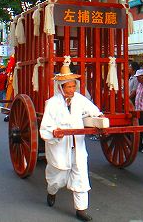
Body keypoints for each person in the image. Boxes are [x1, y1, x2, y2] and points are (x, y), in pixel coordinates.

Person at [39, 61, 103, 222]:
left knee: (81, 175)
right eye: (68, 87)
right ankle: (51, 191)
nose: (71, 90)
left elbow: (93, 109)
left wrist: (99, 117)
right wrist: (55, 133)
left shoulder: (80, 99)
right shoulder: (52, 104)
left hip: (78, 146)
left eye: (73, 86)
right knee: (58, 176)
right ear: (61, 87)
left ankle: (81, 210)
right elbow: (45, 127)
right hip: (59, 146)